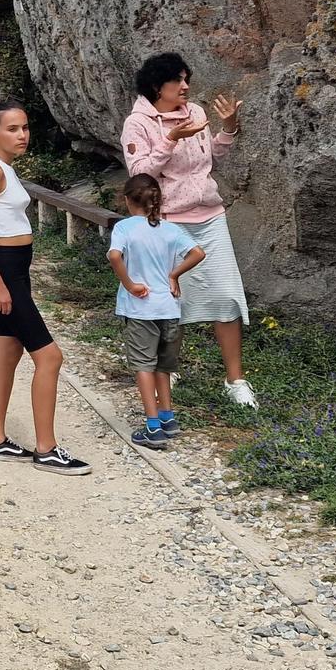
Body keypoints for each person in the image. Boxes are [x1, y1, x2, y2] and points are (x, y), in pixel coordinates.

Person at [121, 51, 257, 408]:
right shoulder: (138, 123)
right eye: (177, 81)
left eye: (187, 79)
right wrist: (170, 140)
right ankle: (166, 371)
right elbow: (140, 173)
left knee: (226, 298)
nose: (185, 87)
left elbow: (209, 158)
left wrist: (228, 128)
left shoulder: (195, 112)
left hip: (210, 216)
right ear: (156, 86)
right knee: (169, 301)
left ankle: (236, 380)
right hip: (167, 221)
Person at [0, 100, 91, 475]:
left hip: (14, 271)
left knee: (8, 355)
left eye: (24, 128)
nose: (22, 135)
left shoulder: (5, 168)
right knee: (50, 357)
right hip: (3, 272)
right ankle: (46, 449)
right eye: (12, 129)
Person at [108, 173, 206, 451]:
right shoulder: (170, 229)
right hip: (170, 309)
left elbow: (115, 256)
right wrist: (174, 274)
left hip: (140, 310)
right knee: (164, 365)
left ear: (127, 200)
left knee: (143, 365)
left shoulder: (125, 228)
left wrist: (129, 284)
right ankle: (168, 417)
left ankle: (152, 426)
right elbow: (198, 253)